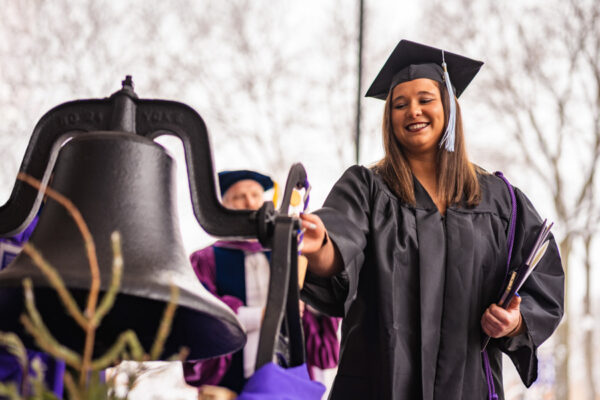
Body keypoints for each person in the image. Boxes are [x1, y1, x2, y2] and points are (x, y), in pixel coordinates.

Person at [298, 40, 564, 400]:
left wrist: (514, 322)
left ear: (450, 109)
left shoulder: (499, 199)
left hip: (468, 386)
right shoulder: (366, 188)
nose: (413, 111)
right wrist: (317, 245)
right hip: (378, 383)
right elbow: (337, 248)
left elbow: (542, 279)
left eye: (425, 99)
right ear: (388, 118)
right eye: (400, 104)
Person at [184, 170, 340, 394]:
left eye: (256, 195)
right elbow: (203, 315)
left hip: (289, 383)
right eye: (239, 197)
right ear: (223, 208)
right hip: (232, 386)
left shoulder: (291, 251)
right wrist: (265, 314)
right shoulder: (206, 260)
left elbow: (324, 300)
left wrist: (310, 302)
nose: (249, 202)